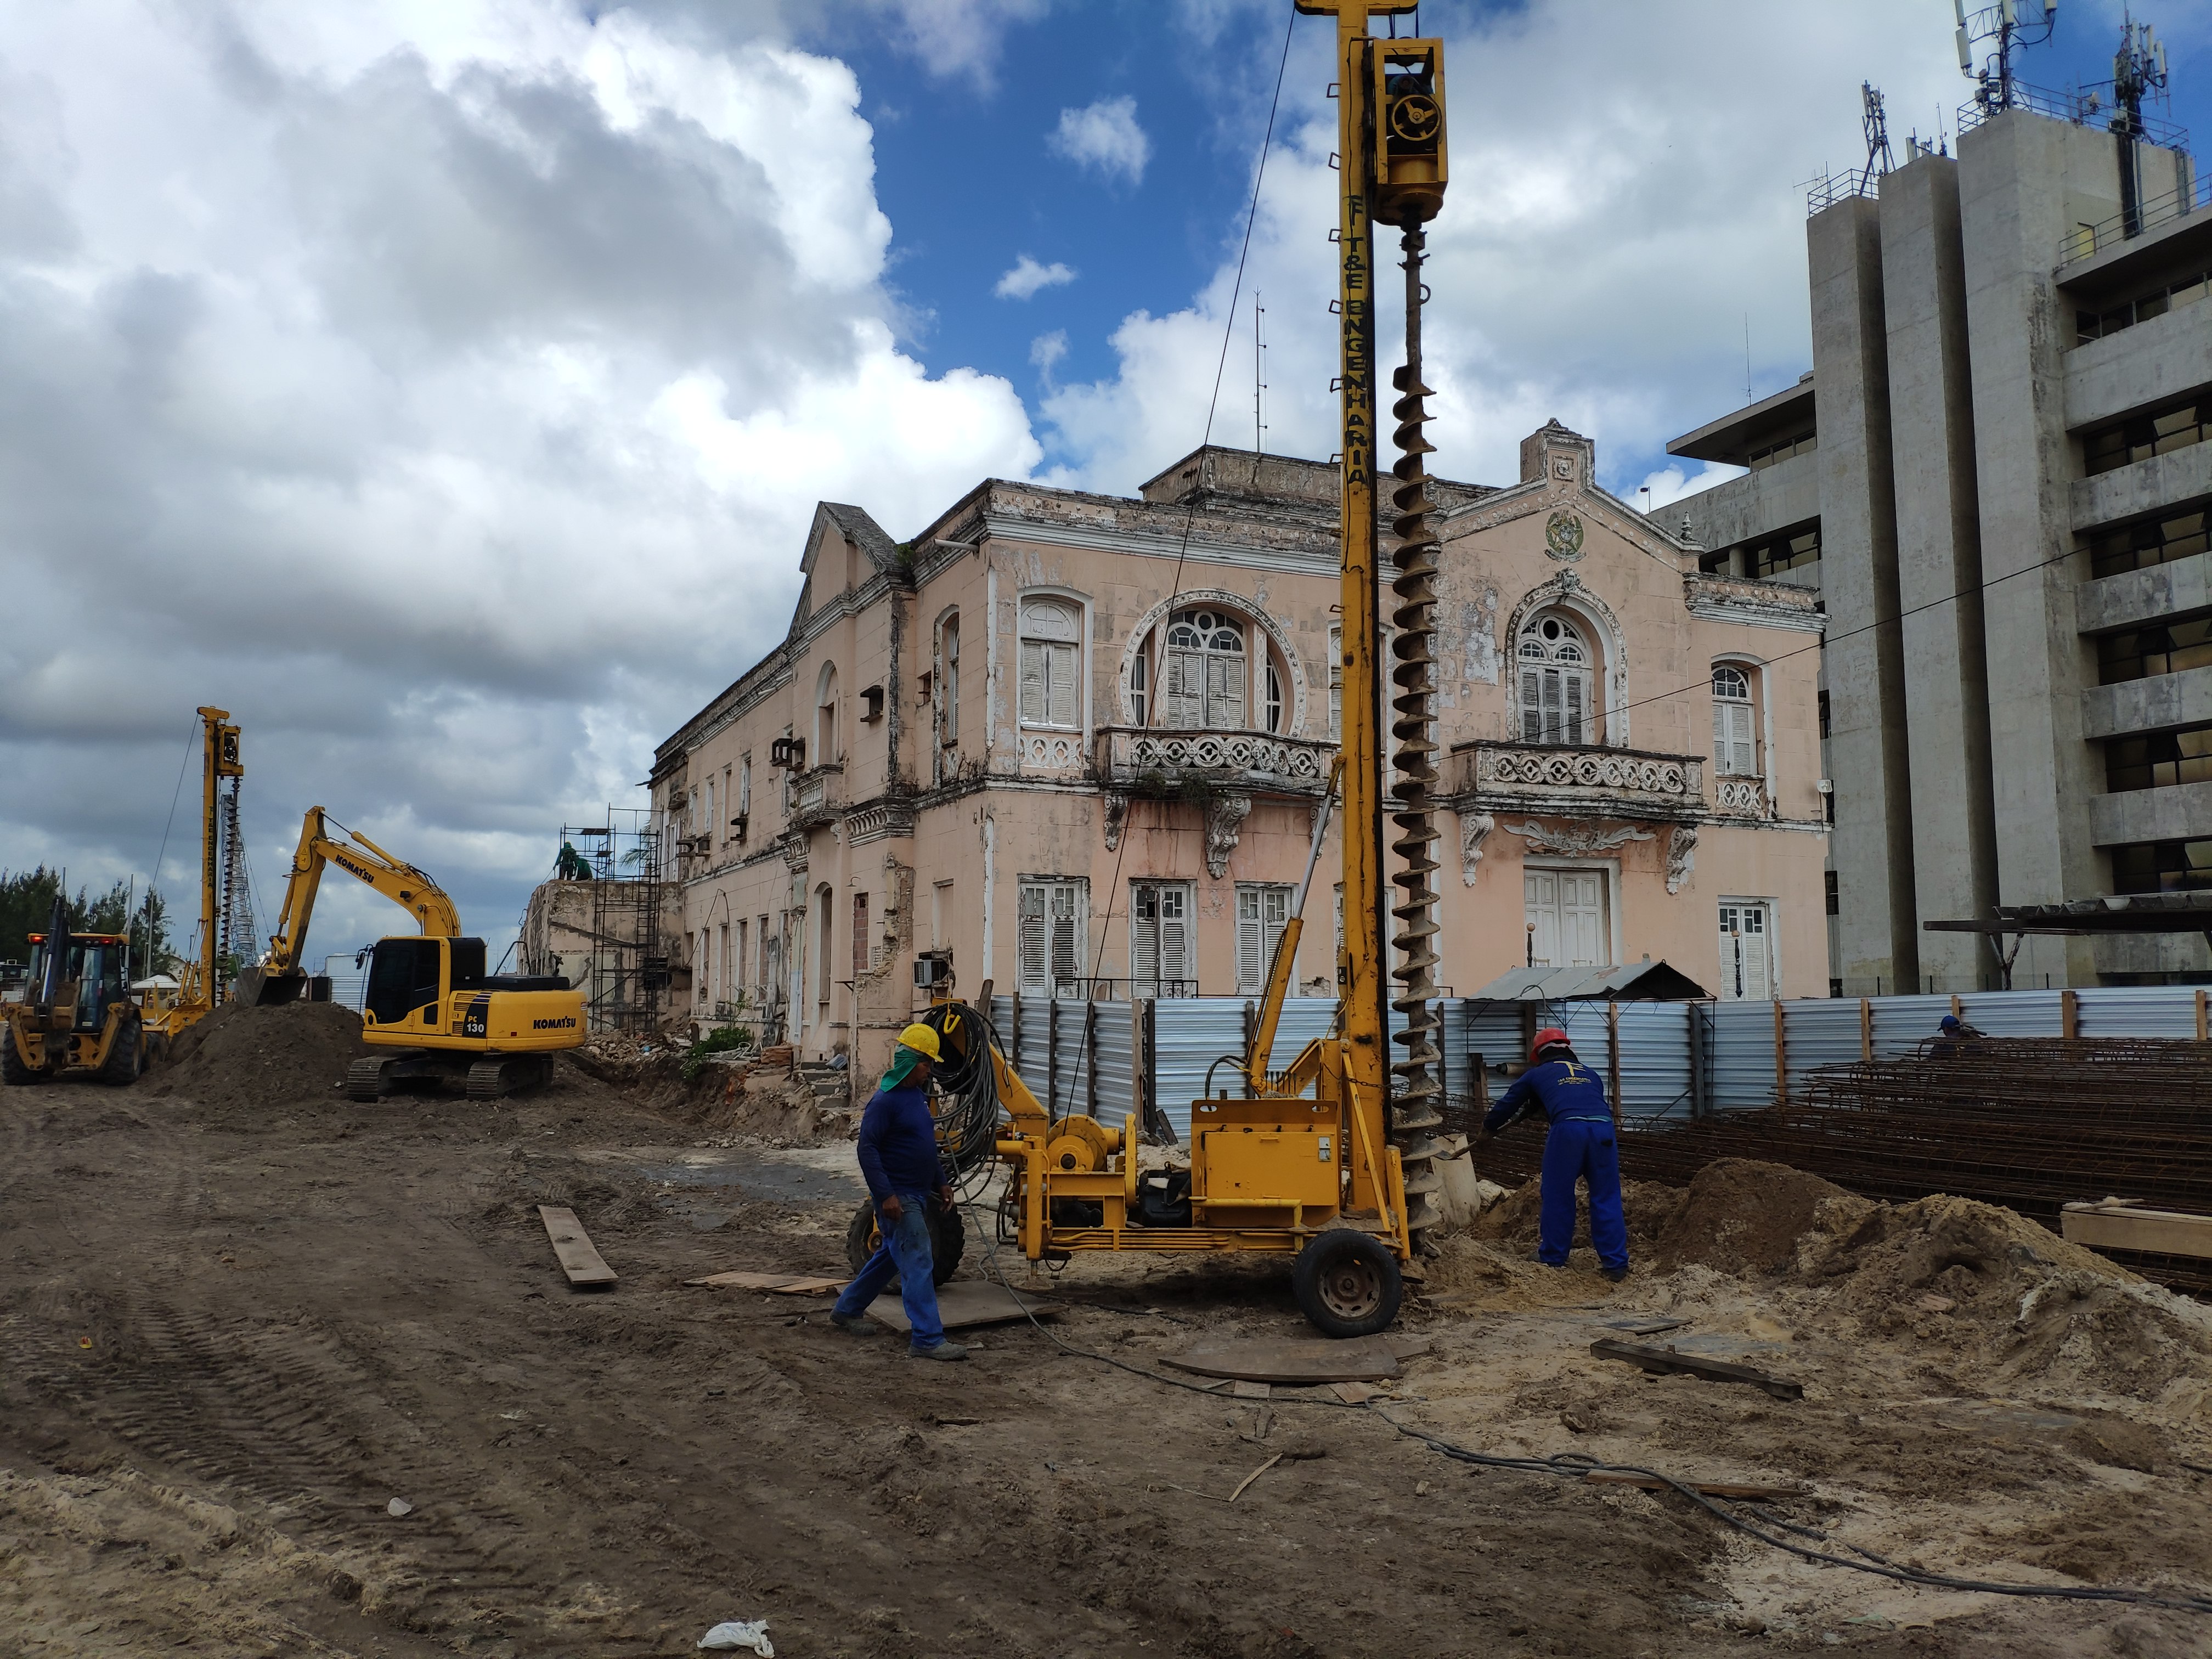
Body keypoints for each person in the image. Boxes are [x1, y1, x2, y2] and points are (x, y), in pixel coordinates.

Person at [830, 1023, 967, 1361]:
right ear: (909, 1060)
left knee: (889, 1257)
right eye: (926, 1064)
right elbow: (868, 1150)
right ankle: (927, 1338)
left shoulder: (917, 1099)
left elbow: (925, 1149)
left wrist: (942, 1182)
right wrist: (886, 1195)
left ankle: (846, 1311)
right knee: (919, 1260)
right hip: (899, 1196)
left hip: (918, 1192)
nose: (929, 1070)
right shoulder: (885, 1102)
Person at [1476, 1026, 1629, 1282]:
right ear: (1568, 1049)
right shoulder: (1591, 1074)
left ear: (1538, 1054)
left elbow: (1507, 1104)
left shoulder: (1537, 1074)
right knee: (1606, 1195)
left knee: (1558, 1194)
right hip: (1604, 1129)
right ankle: (1616, 1264)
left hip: (1568, 1131)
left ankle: (1553, 1256)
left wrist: (1487, 1129)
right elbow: (1578, 1099)